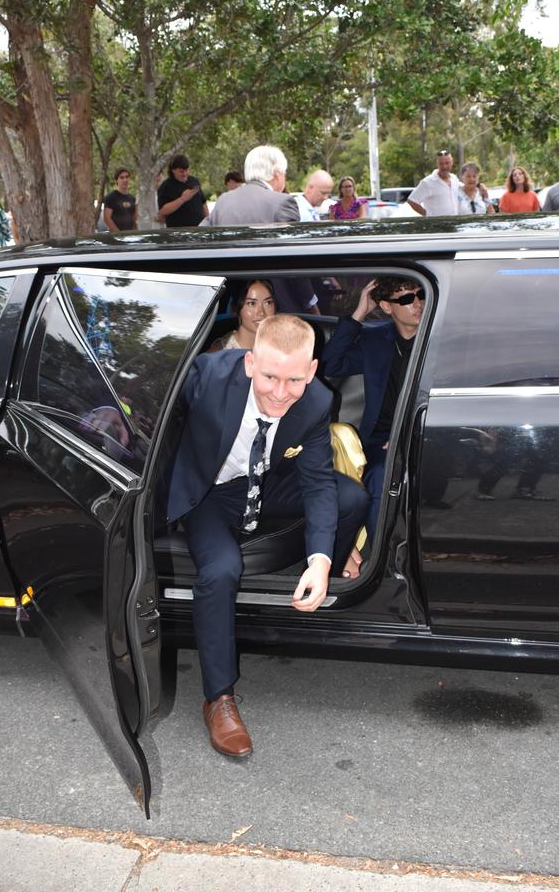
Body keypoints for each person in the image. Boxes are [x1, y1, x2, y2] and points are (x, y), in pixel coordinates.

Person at [166, 314, 369, 757]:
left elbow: (316, 481)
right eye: (271, 376)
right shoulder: (206, 376)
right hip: (209, 492)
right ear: (250, 362)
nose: (281, 393)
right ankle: (219, 698)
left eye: (294, 379)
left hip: (268, 483)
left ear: (311, 370)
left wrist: (320, 559)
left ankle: (319, 575)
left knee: (349, 496)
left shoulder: (316, 399)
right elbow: (147, 412)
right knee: (221, 569)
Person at [322, 276, 424, 549]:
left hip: (423, 432)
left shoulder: (436, 340)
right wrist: (358, 314)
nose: (417, 303)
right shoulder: (376, 340)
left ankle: (381, 552)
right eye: (405, 299)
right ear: (387, 307)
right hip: (380, 438)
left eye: (420, 294)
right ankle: (373, 551)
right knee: (377, 472)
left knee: (384, 472)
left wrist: (406, 433)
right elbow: (331, 365)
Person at [206, 145, 300, 226]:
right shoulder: (283, 202)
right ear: (277, 175)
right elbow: (292, 243)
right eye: (285, 173)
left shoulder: (223, 200)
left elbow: (201, 235)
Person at [208, 279, 276, 352]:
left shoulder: (281, 344)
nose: (261, 312)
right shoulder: (219, 354)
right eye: (252, 303)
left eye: (268, 303)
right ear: (235, 308)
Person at [157, 154, 209, 227]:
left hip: (199, 229)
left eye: (186, 170)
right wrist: (182, 199)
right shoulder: (166, 186)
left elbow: (203, 203)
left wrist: (207, 220)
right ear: (173, 170)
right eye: (181, 171)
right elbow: (162, 211)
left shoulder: (194, 181)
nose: (185, 174)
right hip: (178, 232)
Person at [407, 150, 459, 217]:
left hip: (454, 224)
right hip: (436, 225)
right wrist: (427, 215)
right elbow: (412, 201)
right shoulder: (427, 182)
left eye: (447, 163)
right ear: (437, 164)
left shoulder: (454, 179)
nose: (444, 166)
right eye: (441, 164)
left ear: (452, 163)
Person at [103, 168, 138, 232]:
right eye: (121, 178)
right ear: (117, 180)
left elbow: (134, 218)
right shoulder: (111, 197)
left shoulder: (132, 198)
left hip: (130, 236)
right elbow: (107, 219)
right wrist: (118, 234)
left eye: (127, 177)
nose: (125, 180)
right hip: (116, 237)